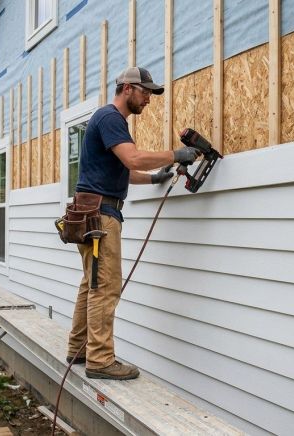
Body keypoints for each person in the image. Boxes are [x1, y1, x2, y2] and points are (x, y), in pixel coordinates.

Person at [66, 66, 201, 380]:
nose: (149, 100)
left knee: (91, 285)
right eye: (146, 92)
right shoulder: (111, 117)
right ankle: (99, 361)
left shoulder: (107, 122)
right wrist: (176, 154)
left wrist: (155, 177)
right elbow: (134, 159)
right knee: (105, 287)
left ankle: (79, 349)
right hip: (101, 216)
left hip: (91, 211)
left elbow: (122, 171)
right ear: (127, 88)